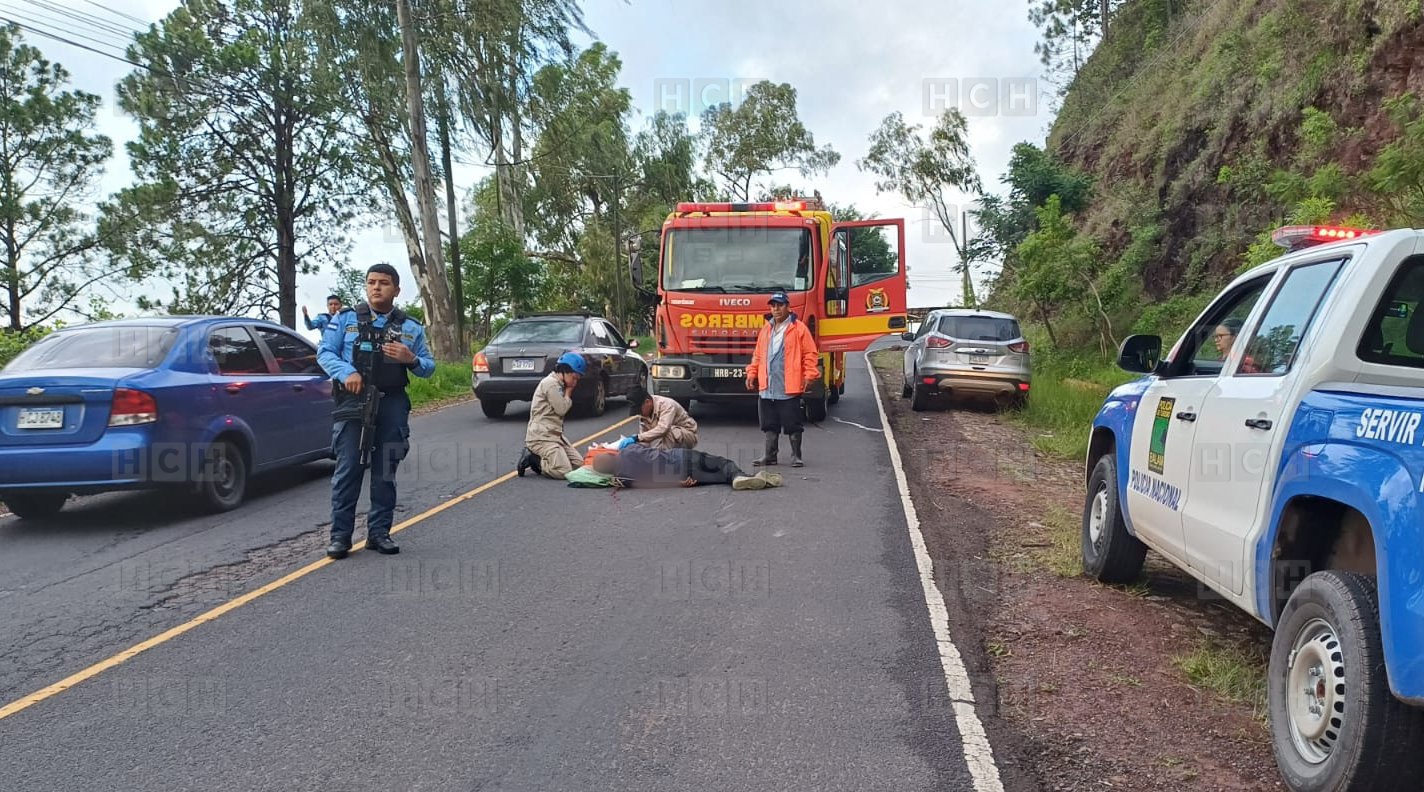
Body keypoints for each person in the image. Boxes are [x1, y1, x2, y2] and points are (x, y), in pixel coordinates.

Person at [317, 265, 434, 559]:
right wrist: (346, 373)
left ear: (396, 289)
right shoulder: (345, 320)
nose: (376, 288)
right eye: (371, 283)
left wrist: (411, 359)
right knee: (348, 470)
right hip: (353, 400)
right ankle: (340, 536)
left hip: (392, 402)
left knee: (385, 470)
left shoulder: (410, 327)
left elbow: (428, 368)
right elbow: (325, 353)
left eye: (383, 283)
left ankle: (379, 533)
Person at [744, 291, 820, 467]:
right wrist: (752, 373)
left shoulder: (799, 328)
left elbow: (810, 354)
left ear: (788, 307)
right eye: (773, 306)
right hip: (767, 386)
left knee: (792, 423)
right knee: (769, 423)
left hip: (788, 385)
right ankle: (770, 456)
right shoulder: (766, 329)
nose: (776, 309)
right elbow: (758, 355)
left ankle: (796, 456)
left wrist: (810, 374)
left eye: (779, 305)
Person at [588, 441, 782, 490]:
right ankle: (741, 476)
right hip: (680, 455)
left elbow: (647, 483)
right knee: (723, 463)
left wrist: (679, 482)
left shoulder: (622, 478)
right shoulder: (629, 449)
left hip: (681, 474)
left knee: (718, 478)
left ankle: (739, 479)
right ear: (610, 454)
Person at [517, 352, 587, 479]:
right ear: (565, 370)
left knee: (579, 465)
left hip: (555, 435)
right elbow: (561, 409)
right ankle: (534, 460)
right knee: (564, 471)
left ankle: (549, 459)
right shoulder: (551, 384)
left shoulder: (560, 384)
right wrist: (568, 393)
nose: (575, 382)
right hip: (541, 437)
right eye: (574, 377)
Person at [628, 384, 698, 450]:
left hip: (688, 436)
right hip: (668, 439)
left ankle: (666, 459)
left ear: (647, 402)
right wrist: (634, 445)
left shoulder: (666, 405)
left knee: (669, 431)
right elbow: (645, 439)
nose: (640, 414)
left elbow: (663, 429)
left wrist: (638, 437)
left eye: (640, 410)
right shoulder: (643, 416)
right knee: (649, 451)